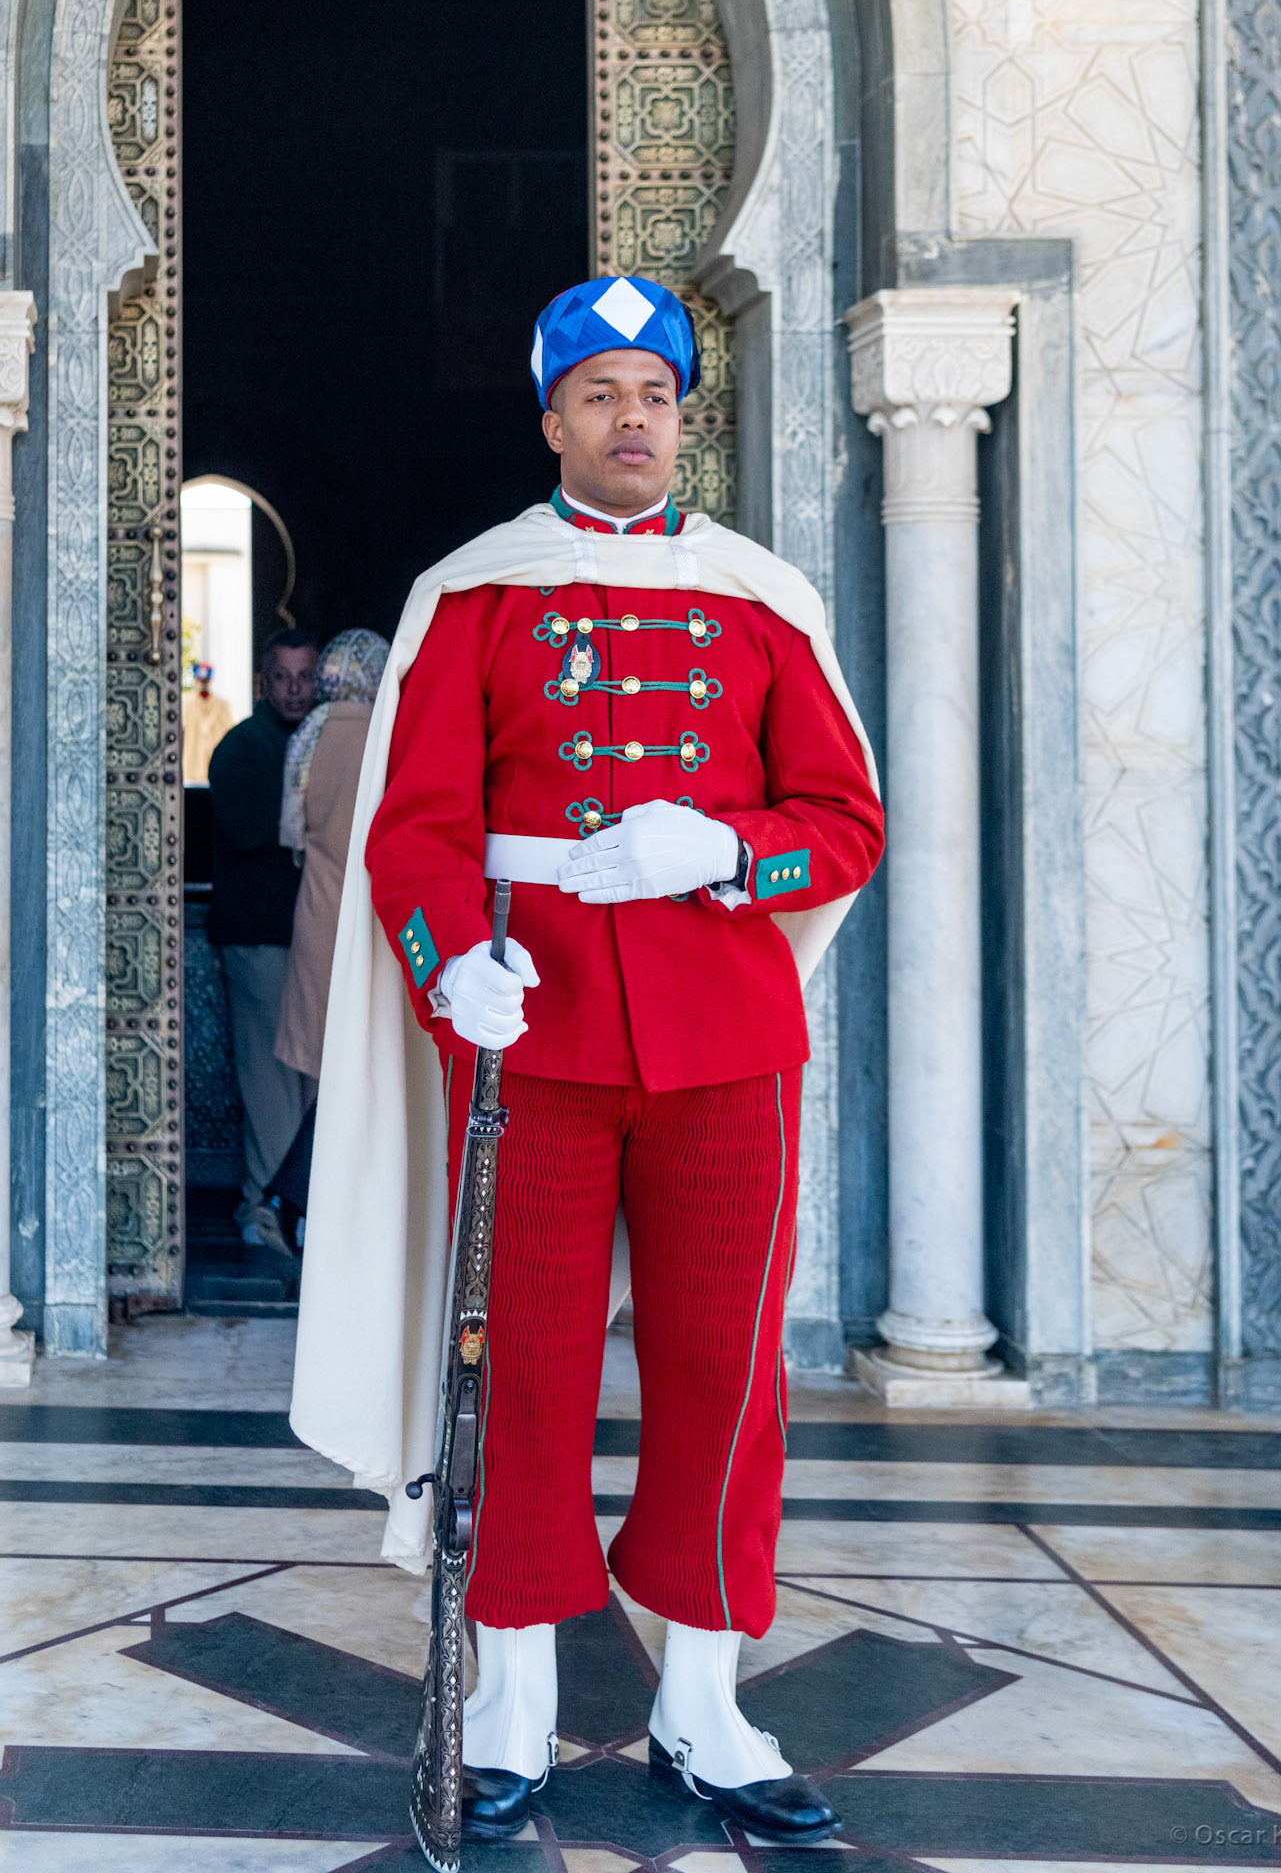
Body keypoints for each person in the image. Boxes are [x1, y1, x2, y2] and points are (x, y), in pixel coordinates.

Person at [291, 277, 883, 1843]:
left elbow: (844, 824)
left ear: (684, 419)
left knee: (724, 1376)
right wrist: (447, 967)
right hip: (526, 1038)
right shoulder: (475, 595)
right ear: (550, 418)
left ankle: (706, 1699)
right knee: (519, 1377)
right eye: (604, 392)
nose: (635, 419)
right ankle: (515, 1702)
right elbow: (412, 832)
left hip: (725, 1040)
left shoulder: (761, 599)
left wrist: (725, 847)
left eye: (659, 396)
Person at [207, 626, 319, 1255]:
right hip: (259, 942)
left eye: (306, 676)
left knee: (305, 1081)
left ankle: (292, 1208)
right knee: (270, 1082)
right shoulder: (242, 749)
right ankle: (262, 1208)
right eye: (283, 676)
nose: (295, 689)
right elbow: (253, 830)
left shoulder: (314, 742)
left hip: (302, 943)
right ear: (262, 682)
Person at [275, 627, 391, 1082]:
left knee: (318, 1067)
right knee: (369, 1062)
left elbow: (292, 834)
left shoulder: (308, 735)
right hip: (377, 914)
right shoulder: (389, 735)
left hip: (319, 912)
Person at [182, 661, 234, 781]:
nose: (203, 684)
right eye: (200, 680)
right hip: (190, 768)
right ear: (196, 680)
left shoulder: (222, 705)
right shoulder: (185, 703)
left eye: (206, 681)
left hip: (215, 768)